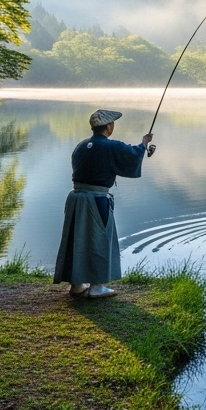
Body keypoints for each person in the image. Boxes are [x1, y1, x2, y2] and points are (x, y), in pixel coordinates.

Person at [53, 109, 154, 298]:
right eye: (112, 123)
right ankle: (97, 286)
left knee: (77, 240)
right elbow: (132, 155)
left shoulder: (81, 146)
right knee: (100, 240)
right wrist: (144, 144)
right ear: (108, 126)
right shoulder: (111, 146)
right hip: (96, 200)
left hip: (75, 199)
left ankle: (76, 285)